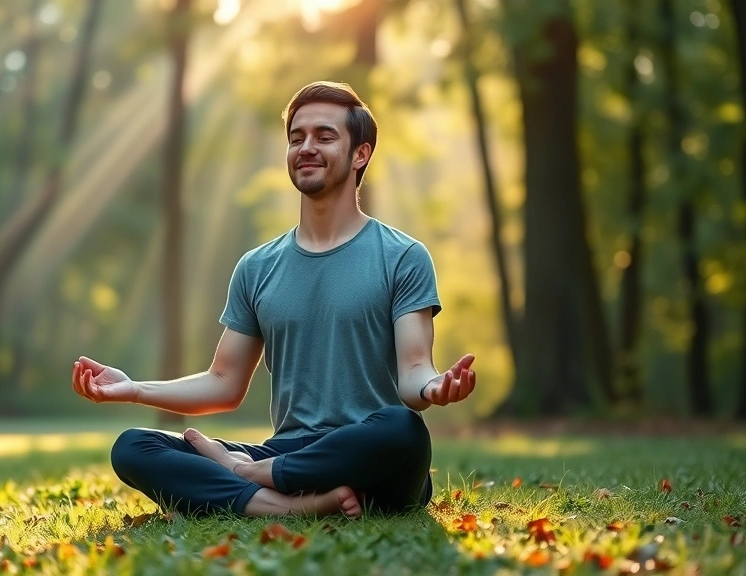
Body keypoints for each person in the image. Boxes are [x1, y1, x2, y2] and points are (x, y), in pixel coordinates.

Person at [71, 81, 476, 519]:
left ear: (361, 154)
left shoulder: (403, 257)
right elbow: (223, 383)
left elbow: (413, 374)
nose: (306, 147)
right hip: (286, 449)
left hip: (368, 454)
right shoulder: (257, 267)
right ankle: (283, 504)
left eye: (324, 136)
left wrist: (434, 387)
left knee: (403, 429)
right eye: (296, 137)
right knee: (135, 445)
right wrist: (133, 389)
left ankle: (251, 478)